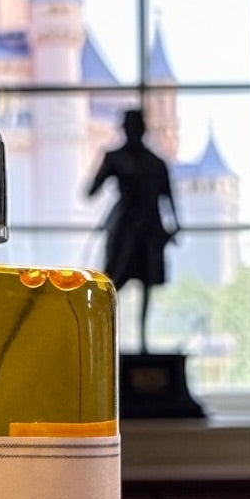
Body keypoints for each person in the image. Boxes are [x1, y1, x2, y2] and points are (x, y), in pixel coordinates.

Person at [86, 108, 180, 345]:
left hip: (142, 225)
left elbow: (168, 197)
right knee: (117, 278)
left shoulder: (145, 161)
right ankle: (113, 337)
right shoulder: (146, 161)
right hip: (135, 224)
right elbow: (169, 199)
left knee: (139, 281)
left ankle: (138, 342)